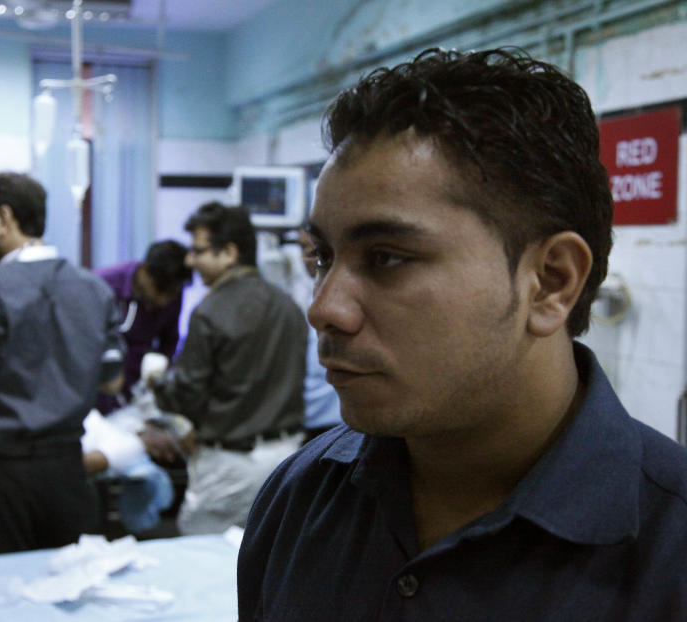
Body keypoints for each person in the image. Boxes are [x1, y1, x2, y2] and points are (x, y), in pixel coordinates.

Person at [237, 47, 687, 621]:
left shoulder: (670, 555)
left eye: (386, 258)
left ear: (551, 283)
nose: (324, 309)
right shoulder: (299, 499)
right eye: (323, 257)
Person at [0, 172, 124, 557]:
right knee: (71, 593)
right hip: (70, 471)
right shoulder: (94, 289)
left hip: (0, 476)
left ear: (4, 219)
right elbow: (111, 380)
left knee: (1, 597)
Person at [149, 202, 306, 535]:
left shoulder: (210, 311)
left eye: (198, 251)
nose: (190, 261)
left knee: (202, 563)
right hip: (285, 459)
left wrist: (157, 383)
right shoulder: (289, 306)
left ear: (229, 253)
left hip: (230, 465)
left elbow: (187, 396)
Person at [94, 239, 191, 413]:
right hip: (100, 388)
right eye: (160, 289)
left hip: (136, 392)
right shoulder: (102, 285)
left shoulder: (172, 295)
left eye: (171, 293)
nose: (163, 300)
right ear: (144, 271)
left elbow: (169, 342)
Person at [296, 226, 342, 444]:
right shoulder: (305, 302)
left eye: (319, 252)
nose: (308, 258)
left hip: (338, 425)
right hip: (309, 426)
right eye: (306, 250)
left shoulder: (342, 309)